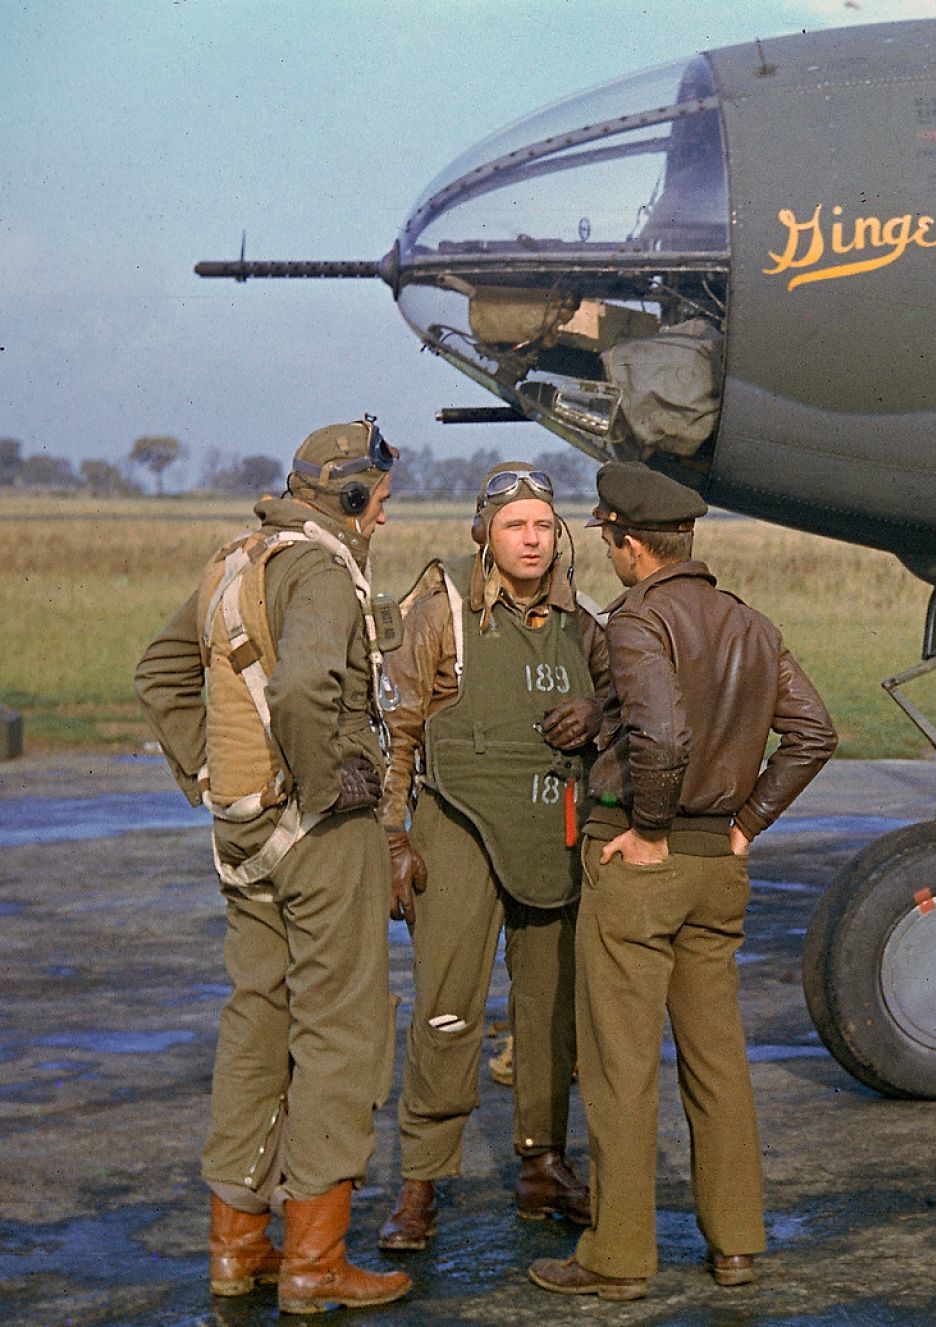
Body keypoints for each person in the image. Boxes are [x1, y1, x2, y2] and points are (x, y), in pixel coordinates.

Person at [529, 463, 836, 1302]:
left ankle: (619, 1255)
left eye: (609, 539)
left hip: (644, 866)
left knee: (620, 1065)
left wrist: (653, 830)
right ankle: (735, 1243)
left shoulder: (639, 617)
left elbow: (661, 734)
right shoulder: (749, 621)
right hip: (719, 874)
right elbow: (814, 732)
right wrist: (745, 825)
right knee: (717, 1060)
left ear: (629, 542)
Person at [134, 418, 411, 1313]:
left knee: (256, 1022)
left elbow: (161, 673)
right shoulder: (323, 568)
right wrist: (326, 787)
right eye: (382, 496)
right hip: (322, 837)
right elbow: (300, 690)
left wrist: (211, 778)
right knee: (341, 1031)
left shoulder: (234, 560)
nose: (386, 515)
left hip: (243, 835)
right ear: (357, 494)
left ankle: (236, 1247)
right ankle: (313, 1265)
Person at [376, 462, 610, 1250]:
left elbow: (631, 703)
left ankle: (544, 1163)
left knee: (551, 1011)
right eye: (516, 525)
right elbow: (399, 727)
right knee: (447, 1009)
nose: (532, 539)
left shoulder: (588, 621)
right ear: (485, 533)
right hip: (459, 828)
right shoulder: (440, 610)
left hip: (554, 830)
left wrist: (598, 710)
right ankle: (420, 1182)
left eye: (544, 525)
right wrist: (392, 838)